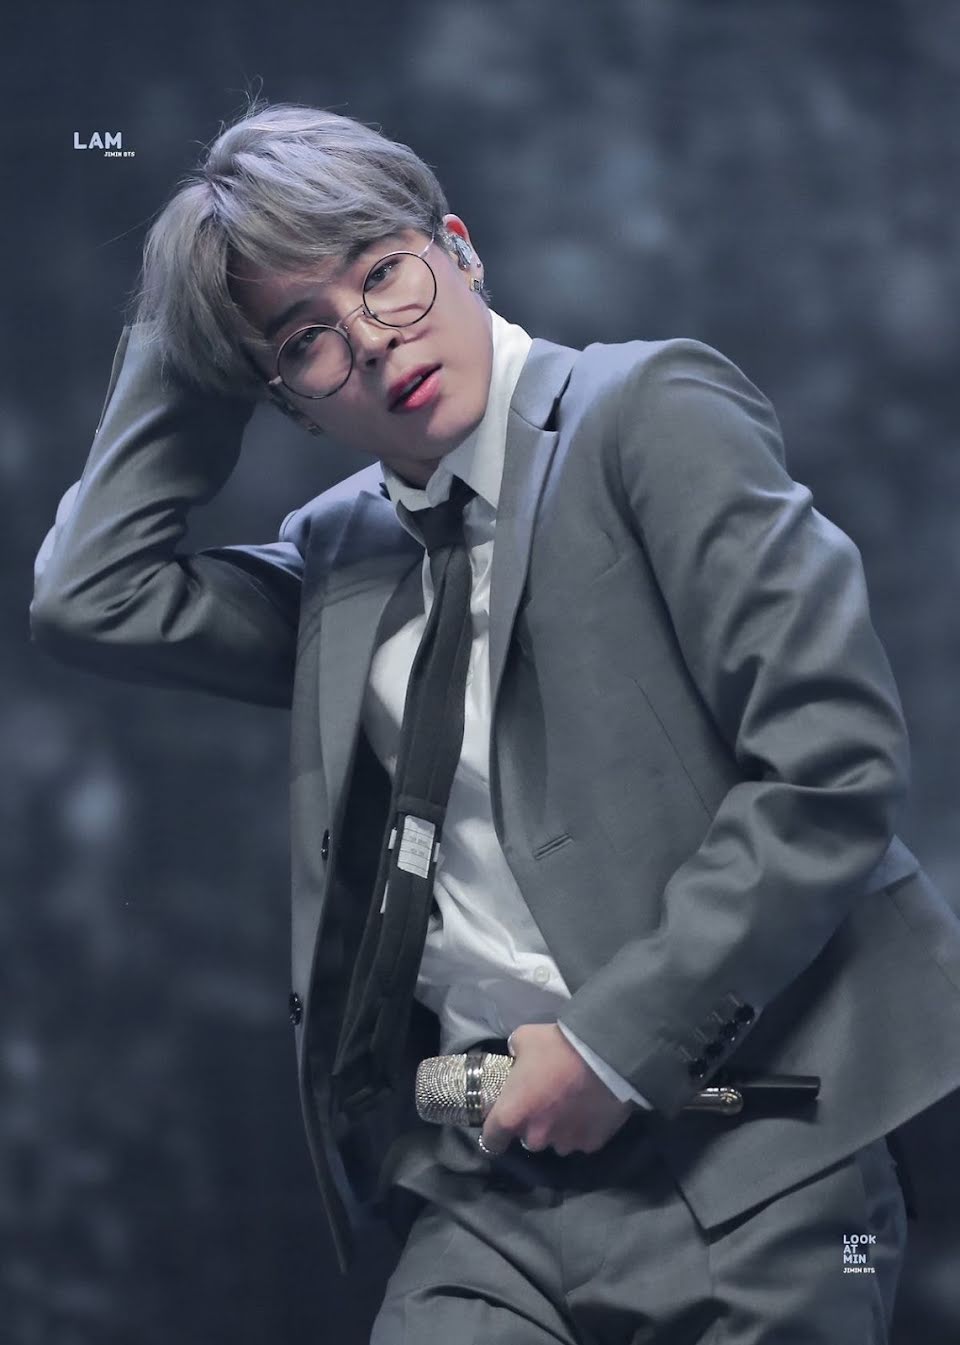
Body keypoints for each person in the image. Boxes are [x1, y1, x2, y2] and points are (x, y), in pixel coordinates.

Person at [30, 99, 960, 1343]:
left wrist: (613, 1046)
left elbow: (830, 765)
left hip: (758, 1151)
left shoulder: (647, 411)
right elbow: (92, 595)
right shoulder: (343, 555)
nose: (371, 339)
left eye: (383, 273)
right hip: (489, 1201)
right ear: (284, 400)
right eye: (307, 339)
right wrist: (196, 302)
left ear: (459, 248)